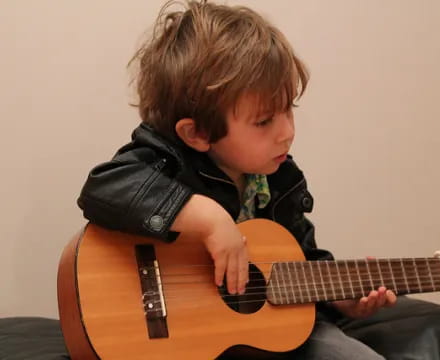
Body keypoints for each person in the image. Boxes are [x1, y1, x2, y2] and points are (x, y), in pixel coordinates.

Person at [77, 1, 396, 358]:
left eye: (289, 109)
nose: (287, 132)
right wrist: (210, 220)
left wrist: (344, 298)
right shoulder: (168, 159)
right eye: (263, 122)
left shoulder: (280, 180)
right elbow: (103, 187)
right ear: (197, 133)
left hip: (274, 329)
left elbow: (300, 260)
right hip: (189, 337)